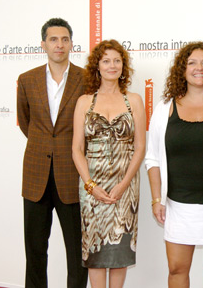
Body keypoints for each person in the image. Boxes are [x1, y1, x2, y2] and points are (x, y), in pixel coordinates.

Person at [145, 42, 203, 288]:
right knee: (176, 269)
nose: (199, 68)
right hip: (177, 205)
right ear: (182, 70)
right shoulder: (164, 108)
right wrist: (156, 200)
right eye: (192, 63)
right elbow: (152, 158)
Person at [17, 18, 88, 288]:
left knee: (77, 253)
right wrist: (45, 144)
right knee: (35, 253)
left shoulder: (86, 79)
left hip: (72, 176)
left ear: (71, 43)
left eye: (65, 39)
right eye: (53, 39)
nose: (59, 44)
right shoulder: (27, 80)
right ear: (43, 44)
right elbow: (27, 123)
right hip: (35, 177)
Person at [72, 39, 145, 288]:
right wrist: (90, 185)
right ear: (97, 66)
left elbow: (140, 147)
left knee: (119, 253)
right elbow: (77, 149)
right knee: (95, 253)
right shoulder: (84, 102)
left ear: (123, 66)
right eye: (106, 61)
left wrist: (124, 185)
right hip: (92, 185)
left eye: (117, 60)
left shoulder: (133, 100)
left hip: (125, 186)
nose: (112, 66)